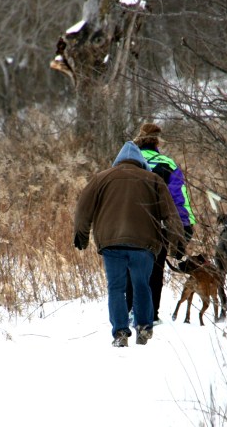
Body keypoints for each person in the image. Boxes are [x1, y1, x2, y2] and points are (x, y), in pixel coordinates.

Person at [73, 141, 185, 347]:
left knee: (116, 287)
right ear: (141, 162)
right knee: (142, 284)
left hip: (111, 242)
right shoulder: (153, 180)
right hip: (145, 243)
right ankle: (144, 327)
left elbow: (82, 209)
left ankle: (120, 333)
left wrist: (81, 234)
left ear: (118, 161)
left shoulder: (101, 178)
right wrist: (177, 243)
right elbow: (170, 214)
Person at [125, 123, 196, 324]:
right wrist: (185, 224)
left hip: (129, 224)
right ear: (158, 141)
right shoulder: (168, 164)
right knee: (156, 270)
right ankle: (152, 315)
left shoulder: (126, 163)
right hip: (159, 225)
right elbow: (178, 197)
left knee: (131, 269)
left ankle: (130, 310)